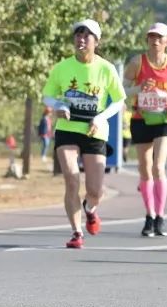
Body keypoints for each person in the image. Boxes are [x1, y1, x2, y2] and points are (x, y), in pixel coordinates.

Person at [42, 19, 126, 249]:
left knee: (95, 190)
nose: (81, 39)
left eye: (87, 35)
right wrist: (59, 106)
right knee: (71, 177)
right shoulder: (62, 67)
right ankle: (77, 232)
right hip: (68, 129)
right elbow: (47, 96)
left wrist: (100, 117)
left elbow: (119, 100)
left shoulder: (105, 68)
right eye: (78, 35)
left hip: (94, 131)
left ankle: (90, 209)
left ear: (96, 42)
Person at [123, 22, 167, 238]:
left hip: (164, 118)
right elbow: (122, 88)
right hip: (141, 118)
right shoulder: (137, 62)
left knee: (158, 166)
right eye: (152, 36)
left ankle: (160, 217)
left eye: (160, 37)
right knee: (144, 167)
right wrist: (139, 89)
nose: (155, 40)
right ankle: (149, 216)